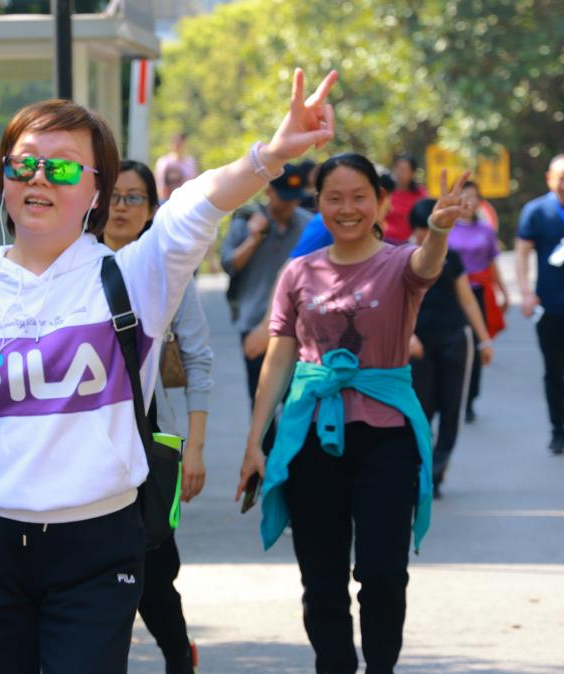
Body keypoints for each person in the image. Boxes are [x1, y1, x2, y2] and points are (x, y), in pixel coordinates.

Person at [0, 69, 340, 674]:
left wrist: (268, 156)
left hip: (97, 550)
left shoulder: (132, 279)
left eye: (61, 168)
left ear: (96, 192)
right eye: (23, 164)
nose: (38, 178)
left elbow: (194, 207)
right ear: (3, 180)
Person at [237, 153, 469, 674]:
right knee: (321, 579)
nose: (347, 208)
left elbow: (427, 266)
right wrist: (256, 441)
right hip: (312, 437)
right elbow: (280, 358)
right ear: (318, 203)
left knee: (383, 572)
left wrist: (437, 230)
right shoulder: (298, 272)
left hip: (387, 439)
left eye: (359, 197)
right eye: (334, 198)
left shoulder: (399, 263)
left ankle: (381, 666)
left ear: (380, 201)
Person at [104, 159, 213, 674]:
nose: (121, 207)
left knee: (153, 564)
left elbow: (197, 359)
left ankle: (177, 656)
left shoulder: (168, 273)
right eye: (113, 196)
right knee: (98, 569)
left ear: (152, 210)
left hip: (151, 440)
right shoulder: (71, 266)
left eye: (135, 198)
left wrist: (195, 447)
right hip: (87, 436)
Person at [407, 198, 494, 497]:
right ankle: (420, 466)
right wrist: (407, 335)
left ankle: (436, 470)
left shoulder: (451, 257)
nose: (427, 234)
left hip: (454, 339)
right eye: (423, 228)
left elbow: (467, 299)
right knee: (421, 408)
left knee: (451, 407)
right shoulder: (401, 256)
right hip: (417, 345)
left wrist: (484, 339)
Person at [221, 165, 312, 411]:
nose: (290, 205)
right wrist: (253, 239)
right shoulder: (246, 220)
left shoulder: (307, 224)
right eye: (284, 198)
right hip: (254, 323)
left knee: (297, 403)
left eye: (294, 199)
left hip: (297, 327)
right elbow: (229, 264)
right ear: (269, 191)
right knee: (261, 402)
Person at [515, 154, 564, 454]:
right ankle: (558, 430)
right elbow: (521, 253)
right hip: (549, 303)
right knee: (554, 370)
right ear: (549, 178)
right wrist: (525, 292)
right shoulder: (535, 211)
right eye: (561, 178)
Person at [447, 180, 507, 422]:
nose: (468, 202)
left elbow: (493, 264)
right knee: (455, 347)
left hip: (478, 294)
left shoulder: (486, 231)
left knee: (478, 345)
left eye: (472, 196)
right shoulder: (446, 229)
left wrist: (503, 291)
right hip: (451, 296)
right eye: (463, 196)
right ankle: (450, 396)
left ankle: (470, 398)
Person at [385, 153, 428, 244]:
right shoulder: (386, 193)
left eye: (405, 170)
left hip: (410, 244)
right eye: (399, 169)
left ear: (413, 173)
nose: (400, 173)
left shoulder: (421, 194)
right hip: (385, 241)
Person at [155, 132, 200, 202]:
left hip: (186, 199)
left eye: (180, 142)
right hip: (167, 199)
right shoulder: (163, 162)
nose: (177, 145)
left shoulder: (190, 162)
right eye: (175, 142)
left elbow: (194, 181)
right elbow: (160, 183)